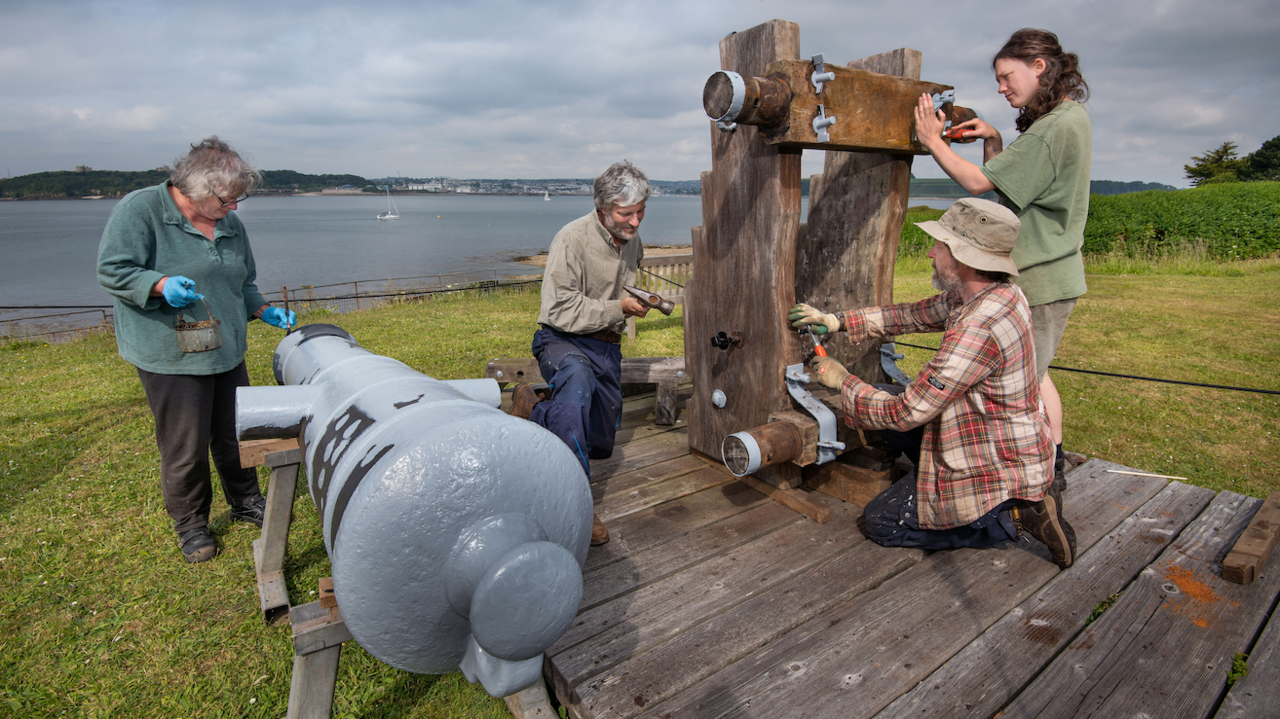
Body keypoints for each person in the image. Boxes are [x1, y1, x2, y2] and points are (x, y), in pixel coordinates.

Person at [790, 198, 1077, 568]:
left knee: (882, 523)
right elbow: (913, 314)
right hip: (984, 431)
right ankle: (978, 489)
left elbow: (905, 412)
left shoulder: (978, 328)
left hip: (989, 459)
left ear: (963, 256)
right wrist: (837, 320)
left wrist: (842, 381)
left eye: (939, 246)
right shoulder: (994, 294)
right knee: (885, 396)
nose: (930, 252)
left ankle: (1010, 517)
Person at [97, 136, 296, 564]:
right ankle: (191, 525)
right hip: (171, 356)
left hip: (225, 348)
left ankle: (245, 501)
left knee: (234, 434)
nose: (235, 208)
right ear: (197, 189)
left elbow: (242, 280)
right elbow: (113, 270)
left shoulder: (229, 223)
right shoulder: (141, 210)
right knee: (185, 446)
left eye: (238, 200)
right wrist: (158, 284)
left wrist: (262, 308)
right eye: (228, 200)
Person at [912, 28, 1091, 491]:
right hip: (1046, 273)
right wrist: (993, 138)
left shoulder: (1056, 126)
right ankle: (1049, 464)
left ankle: (1041, 478)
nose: (1001, 87)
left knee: (1023, 387)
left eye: (1007, 76)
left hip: (1042, 275)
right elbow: (1011, 192)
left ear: (1039, 67)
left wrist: (933, 139)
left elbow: (977, 184)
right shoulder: (1067, 120)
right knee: (1036, 376)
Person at [508, 161, 652, 546]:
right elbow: (557, 310)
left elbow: (623, 287)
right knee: (577, 387)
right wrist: (618, 308)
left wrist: (637, 301)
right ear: (603, 208)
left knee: (601, 444)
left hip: (605, 346)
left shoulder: (632, 239)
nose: (635, 222)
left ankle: (532, 406)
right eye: (626, 213)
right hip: (561, 340)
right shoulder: (570, 239)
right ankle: (576, 506)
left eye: (640, 212)